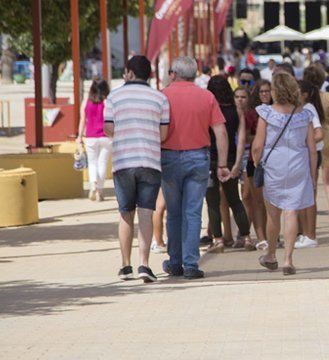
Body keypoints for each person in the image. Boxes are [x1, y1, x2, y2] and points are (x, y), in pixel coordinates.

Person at [161, 56, 231, 280]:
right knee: (192, 212)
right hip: (198, 158)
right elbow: (220, 131)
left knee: (173, 212)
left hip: (168, 158)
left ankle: (174, 261)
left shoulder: (162, 96)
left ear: (173, 73)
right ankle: (191, 263)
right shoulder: (207, 96)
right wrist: (222, 163)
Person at [103, 56, 170, 283]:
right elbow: (163, 135)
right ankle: (144, 264)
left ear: (130, 73)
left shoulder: (114, 97)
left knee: (125, 213)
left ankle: (125, 266)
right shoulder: (160, 98)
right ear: (149, 74)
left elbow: (108, 128)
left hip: (123, 162)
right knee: (146, 213)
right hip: (150, 161)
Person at [251, 73, 317, 274]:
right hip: (298, 163)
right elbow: (312, 148)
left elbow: (258, 145)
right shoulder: (304, 114)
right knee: (291, 211)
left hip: (274, 165)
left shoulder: (267, 114)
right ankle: (288, 260)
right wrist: (313, 177)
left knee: (273, 214)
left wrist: (256, 163)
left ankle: (271, 255)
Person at [203, 76, 252, 253]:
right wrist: (238, 163)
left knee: (212, 201)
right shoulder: (236, 110)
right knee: (235, 200)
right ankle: (246, 237)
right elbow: (241, 139)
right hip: (231, 159)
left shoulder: (207, 109)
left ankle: (218, 240)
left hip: (210, 159)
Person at [304, 64, 329, 231]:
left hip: (309, 137)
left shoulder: (305, 99)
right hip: (328, 136)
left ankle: (309, 217)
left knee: (310, 180)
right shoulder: (327, 96)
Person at [243, 80, 273, 250]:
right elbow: (245, 137)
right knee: (258, 202)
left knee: (272, 202)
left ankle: (271, 235)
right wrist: (260, 139)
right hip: (255, 161)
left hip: (274, 161)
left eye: (267, 91)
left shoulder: (277, 111)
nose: (264, 94)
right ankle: (261, 237)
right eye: (261, 91)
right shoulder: (251, 114)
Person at [296, 79, 325, 248]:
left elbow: (319, 133)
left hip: (310, 155)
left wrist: (302, 143)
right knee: (303, 196)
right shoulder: (304, 108)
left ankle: (310, 235)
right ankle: (305, 233)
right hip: (307, 155)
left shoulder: (308, 108)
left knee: (309, 196)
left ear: (305, 94)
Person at [77, 79, 112, 202]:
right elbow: (110, 120)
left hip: (90, 137)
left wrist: (79, 136)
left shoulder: (86, 102)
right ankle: (100, 192)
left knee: (92, 162)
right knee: (102, 163)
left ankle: (93, 185)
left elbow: (82, 120)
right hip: (105, 137)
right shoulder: (107, 102)